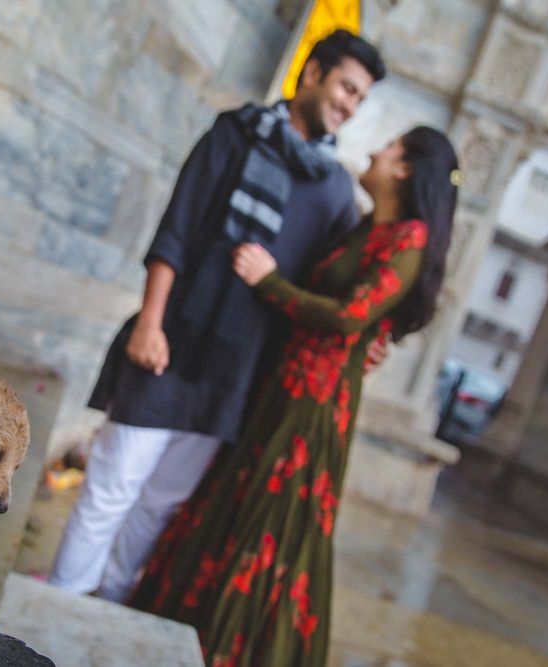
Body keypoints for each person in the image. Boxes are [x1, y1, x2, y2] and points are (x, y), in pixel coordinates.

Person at [48, 30, 386, 603]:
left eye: (359, 99)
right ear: (312, 74)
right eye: (345, 87)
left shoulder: (334, 194)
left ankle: (107, 609)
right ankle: (54, 607)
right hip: (171, 343)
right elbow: (176, 229)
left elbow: (338, 288)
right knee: (111, 485)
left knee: (161, 504)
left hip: (239, 374)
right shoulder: (235, 134)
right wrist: (150, 322)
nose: (349, 105)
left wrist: (368, 333)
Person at [128, 126, 460, 666]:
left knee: (271, 519)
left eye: (390, 146)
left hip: (316, 404)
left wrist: (269, 281)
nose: (376, 148)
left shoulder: (411, 238)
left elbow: (352, 315)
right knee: (235, 500)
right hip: (283, 384)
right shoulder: (364, 227)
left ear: (404, 168)